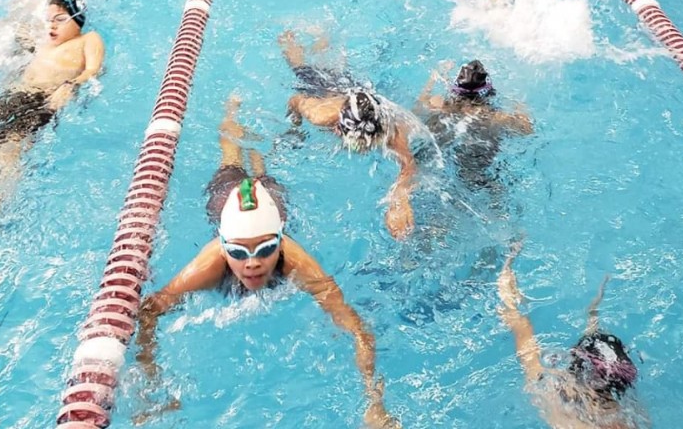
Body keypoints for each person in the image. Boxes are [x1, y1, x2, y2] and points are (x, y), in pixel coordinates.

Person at [136, 96, 399, 428]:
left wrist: (374, 402)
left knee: (263, 174)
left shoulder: (297, 262)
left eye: (264, 250)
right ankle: (231, 112)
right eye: (239, 252)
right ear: (223, 246)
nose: (252, 264)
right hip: (225, 197)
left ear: (280, 241)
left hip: (272, 201)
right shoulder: (210, 264)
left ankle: (259, 160)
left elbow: (357, 329)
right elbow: (149, 313)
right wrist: (153, 386)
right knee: (230, 156)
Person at [0, 0, 104, 252]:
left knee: (8, 157)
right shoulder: (45, 45)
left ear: (77, 18)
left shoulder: (88, 39)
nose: (51, 25)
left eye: (60, 19)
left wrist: (71, 86)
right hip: (13, 97)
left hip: (41, 101)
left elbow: (93, 70)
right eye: (48, 19)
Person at [280, 29, 419, 240]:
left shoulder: (391, 129)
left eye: (369, 143)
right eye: (357, 144)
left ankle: (323, 38)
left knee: (334, 70)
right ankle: (290, 36)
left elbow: (408, 165)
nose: (363, 150)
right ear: (338, 128)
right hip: (324, 91)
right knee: (299, 67)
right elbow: (295, 100)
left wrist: (399, 200)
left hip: (354, 92)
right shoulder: (320, 114)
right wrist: (295, 128)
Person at [497, 241, 648, 429]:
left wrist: (508, 263)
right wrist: (594, 310)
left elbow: (520, 324)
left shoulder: (549, 396)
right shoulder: (634, 417)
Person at [414, 60, 532, 188]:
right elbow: (527, 130)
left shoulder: (439, 105)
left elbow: (417, 109)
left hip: (441, 167)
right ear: (488, 92)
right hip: (480, 171)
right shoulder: (496, 118)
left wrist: (434, 76)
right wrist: (520, 106)